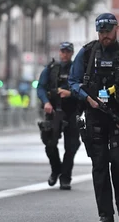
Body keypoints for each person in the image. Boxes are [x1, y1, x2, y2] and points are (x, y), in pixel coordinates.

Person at [68, 13, 119, 222]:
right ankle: (105, 214)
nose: (104, 36)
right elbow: (73, 82)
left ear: (116, 29)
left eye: (108, 31)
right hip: (95, 115)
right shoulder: (86, 53)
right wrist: (88, 99)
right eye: (101, 32)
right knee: (100, 166)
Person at [36, 41, 81, 190]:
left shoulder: (78, 69)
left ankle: (65, 177)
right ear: (59, 52)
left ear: (72, 53)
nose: (65, 54)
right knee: (49, 143)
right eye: (63, 51)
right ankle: (56, 170)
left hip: (72, 112)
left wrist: (70, 93)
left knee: (72, 146)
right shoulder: (51, 68)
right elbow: (41, 87)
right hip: (54, 111)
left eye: (68, 52)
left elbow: (85, 89)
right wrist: (46, 102)